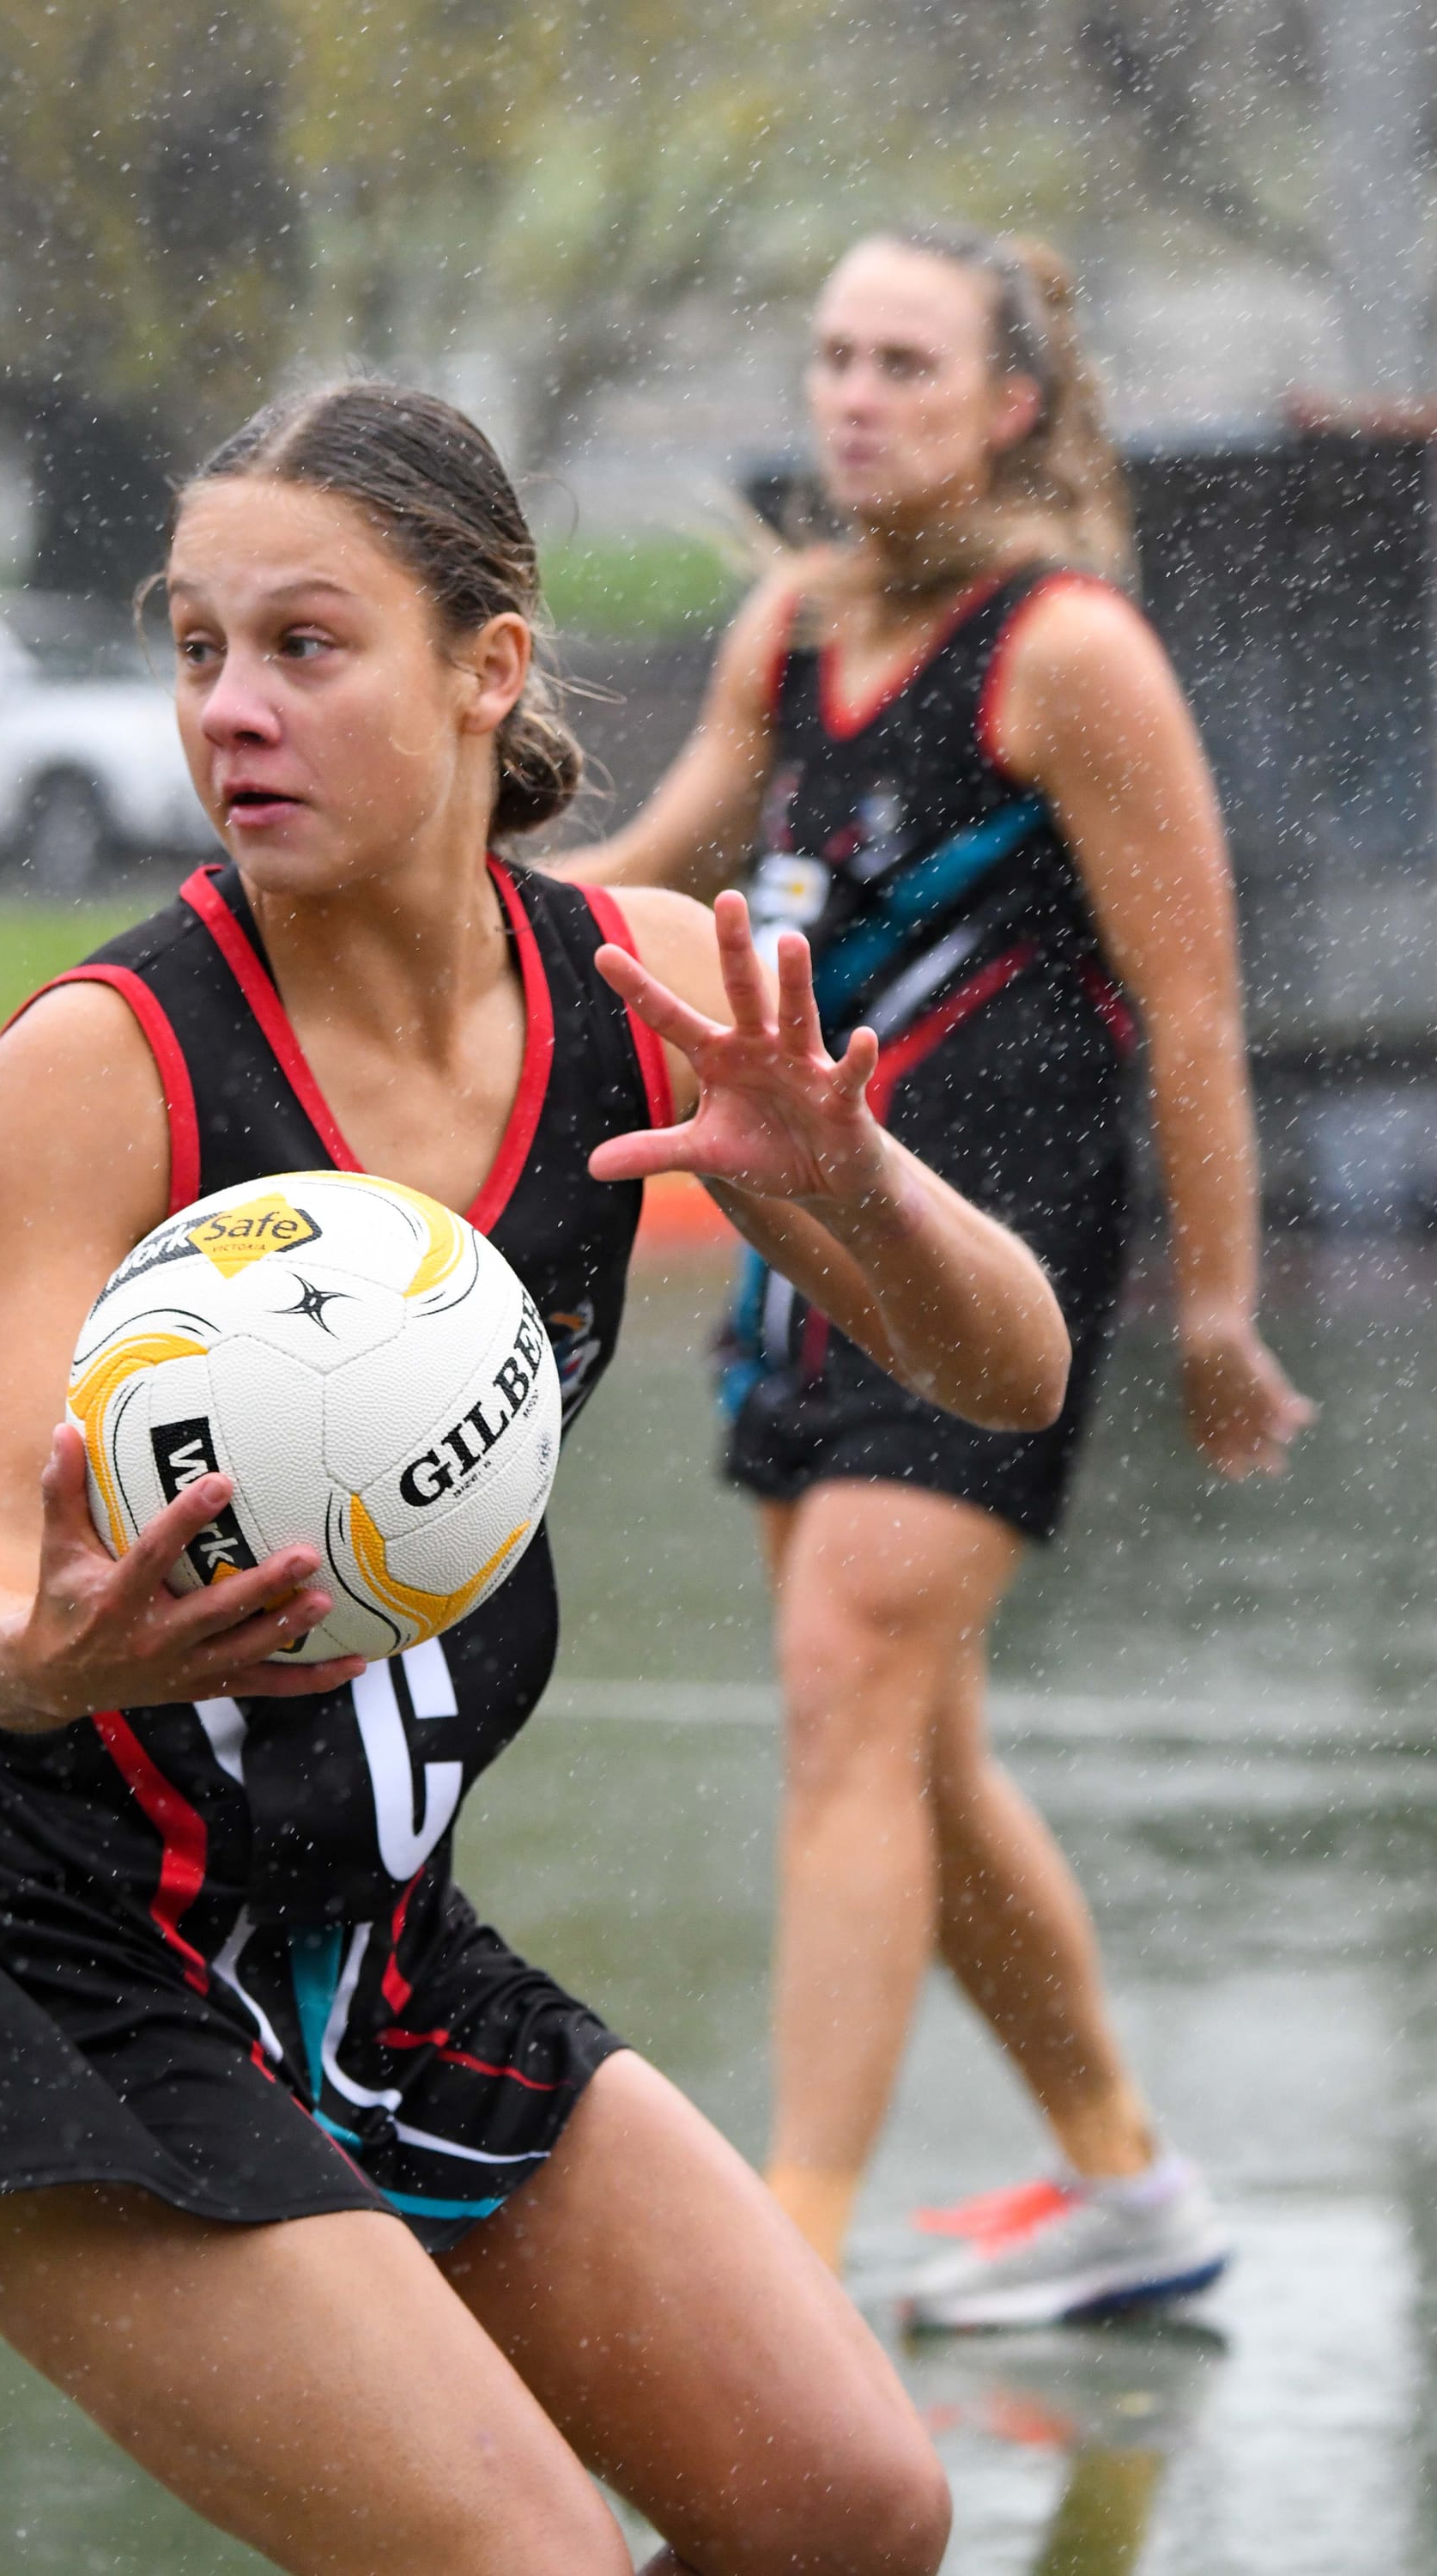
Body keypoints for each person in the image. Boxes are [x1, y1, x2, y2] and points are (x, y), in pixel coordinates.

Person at [0, 381, 1074, 2573]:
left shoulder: (654, 995)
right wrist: (44, 1655)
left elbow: (1009, 1366)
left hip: (376, 1936)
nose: (234, 708)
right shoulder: (102, 1068)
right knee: (525, 2561)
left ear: (491, 667)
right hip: (58, 1947)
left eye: (307, 644)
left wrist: (855, 1184)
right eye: (198, 648)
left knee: (848, 2514)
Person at [565, 228, 1313, 2324]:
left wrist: (1218, 1308)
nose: (854, 395)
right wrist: (418, 875)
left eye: (905, 362)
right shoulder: (788, 632)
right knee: (913, 1744)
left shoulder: (1068, 653)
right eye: (831, 358)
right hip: (814, 1254)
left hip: (997, 1259)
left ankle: (780, 2256)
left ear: (1008, 406)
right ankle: (1126, 2189)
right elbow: (649, 879)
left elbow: (1193, 1011)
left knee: (842, 1687)